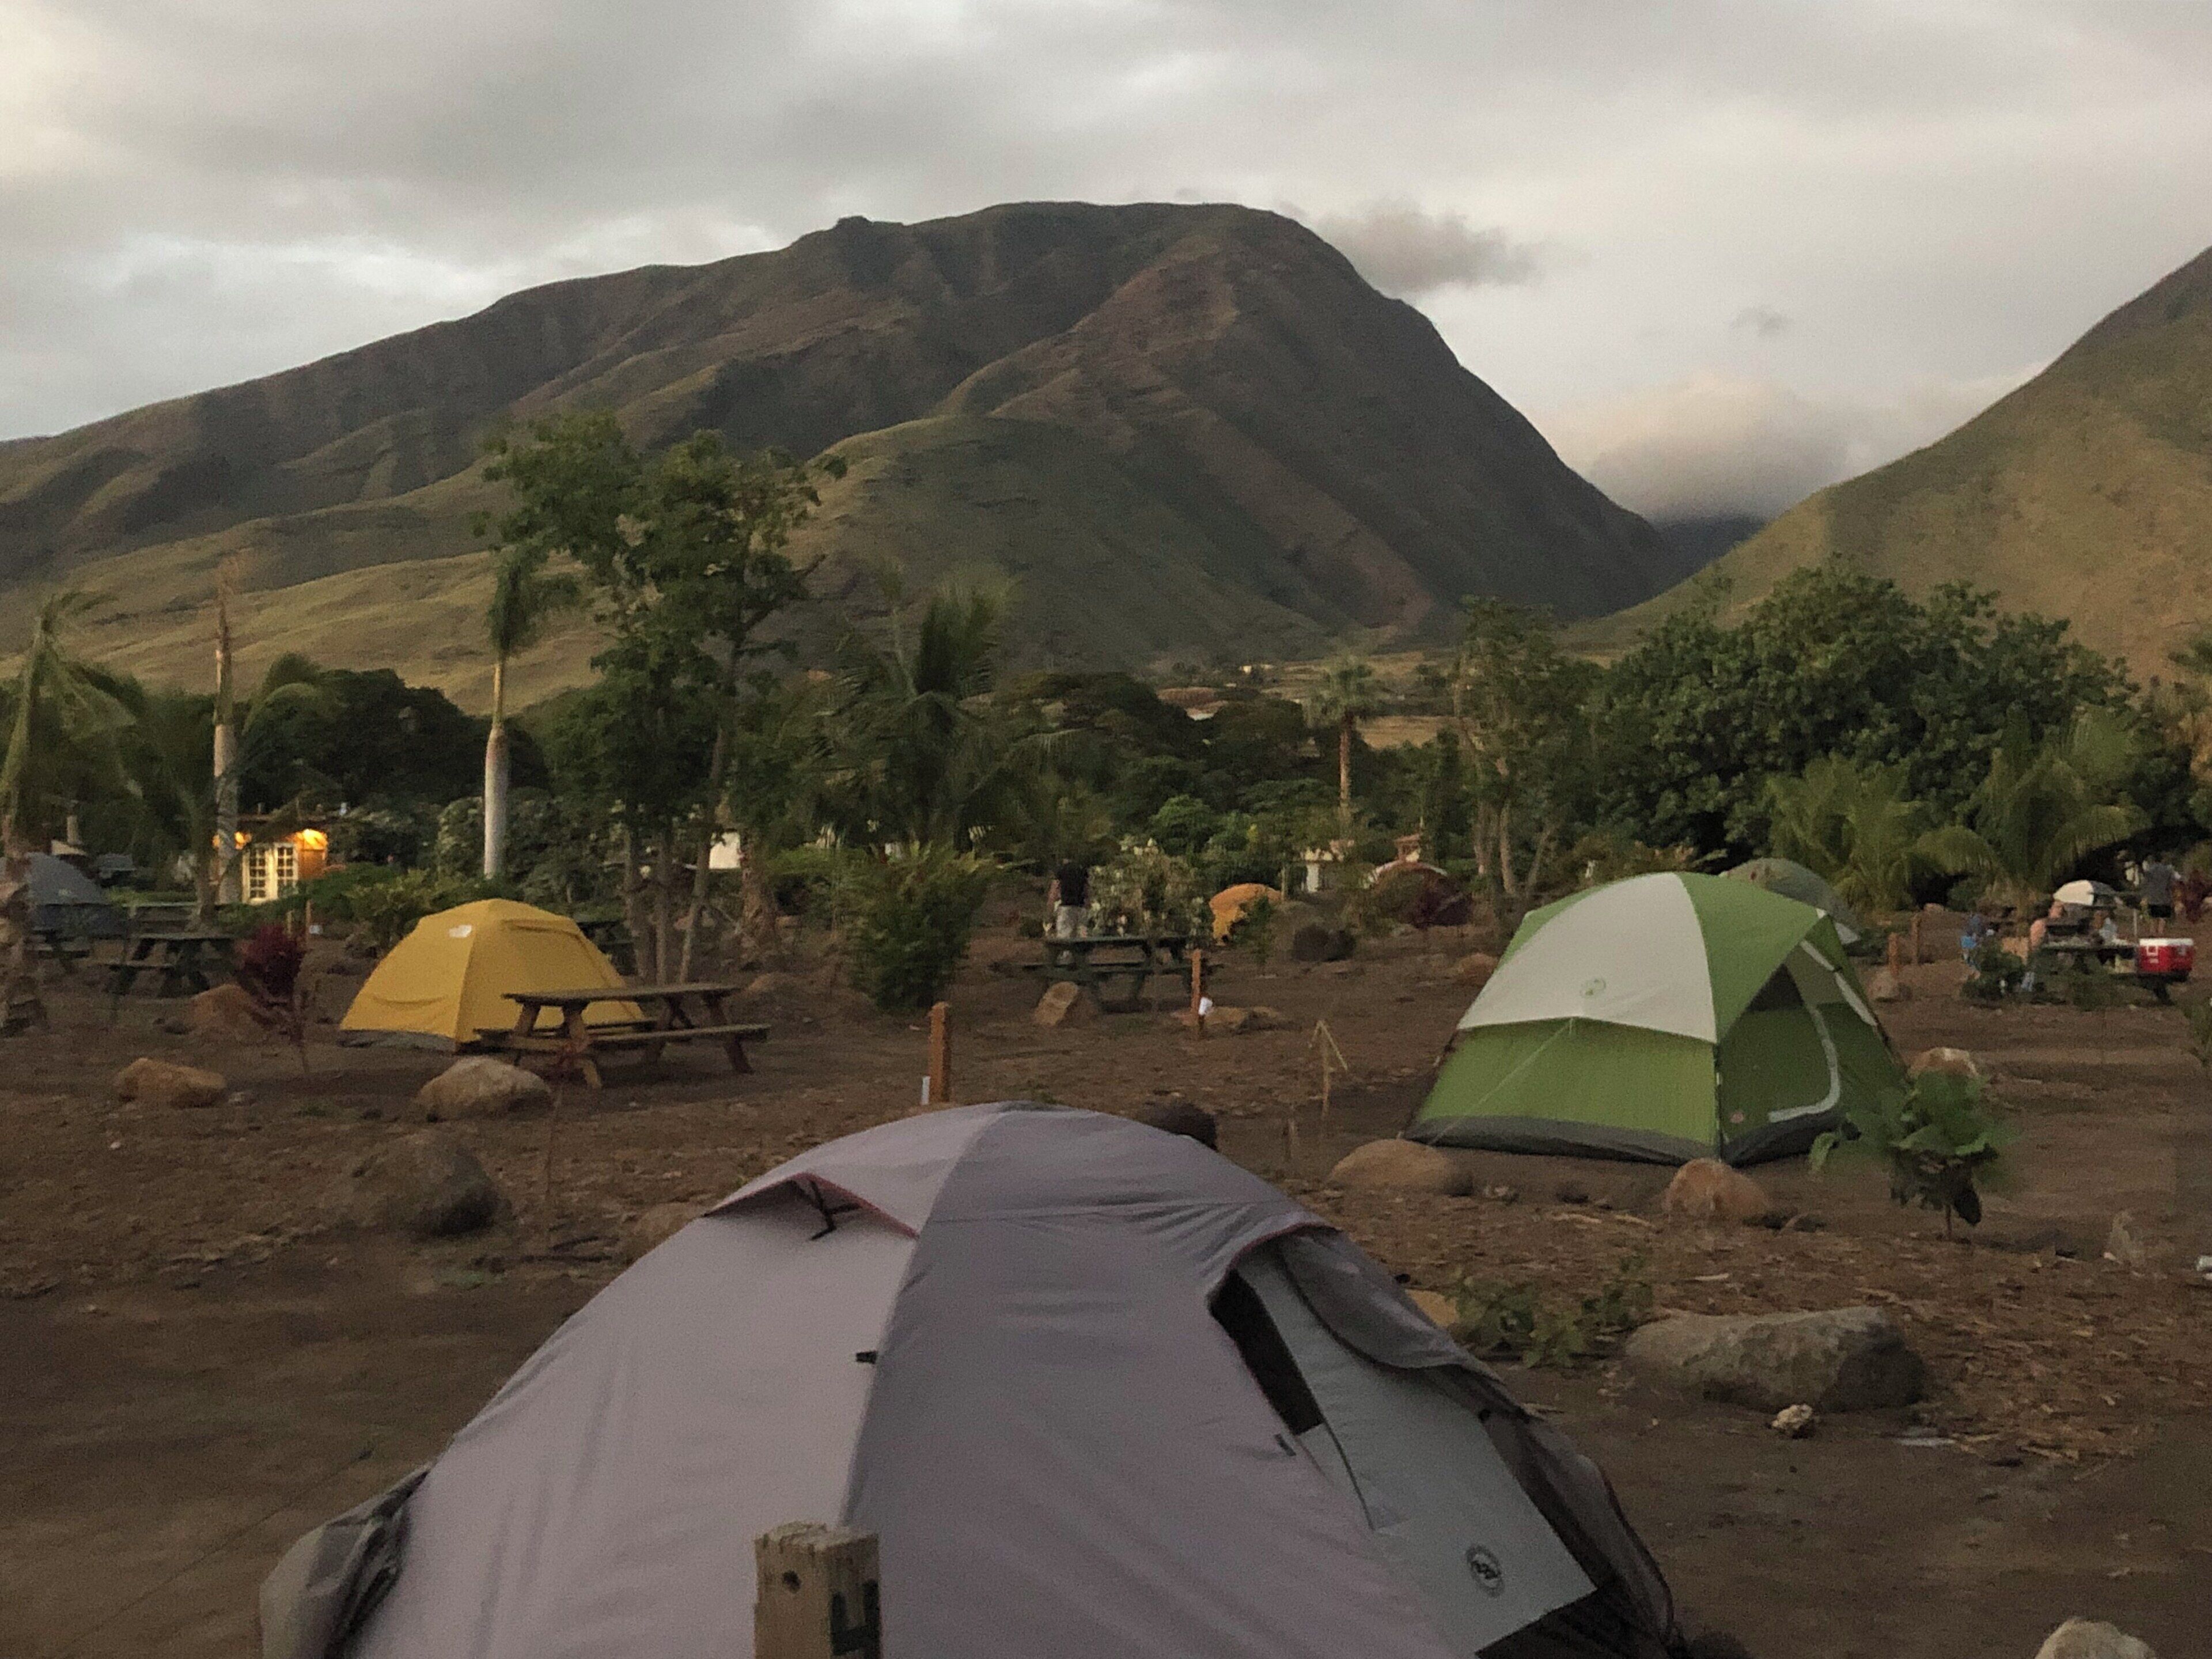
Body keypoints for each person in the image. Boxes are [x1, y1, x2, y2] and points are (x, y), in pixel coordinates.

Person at [1047, 858, 1091, 941]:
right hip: (1081, 909)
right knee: (1082, 939)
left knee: (1064, 941)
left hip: (1066, 909)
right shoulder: (1082, 870)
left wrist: (1050, 915)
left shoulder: (1061, 871)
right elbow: (1087, 892)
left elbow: (1053, 893)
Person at [2141, 855, 2180, 925]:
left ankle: (2152, 932)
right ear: (2162, 860)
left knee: (2153, 918)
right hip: (2165, 898)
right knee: (2162, 918)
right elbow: (2172, 884)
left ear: (2154, 860)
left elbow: (2145, 883)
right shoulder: (2168, 871)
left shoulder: (2150, 871)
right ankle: (2161, 933)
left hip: (2153, 898)